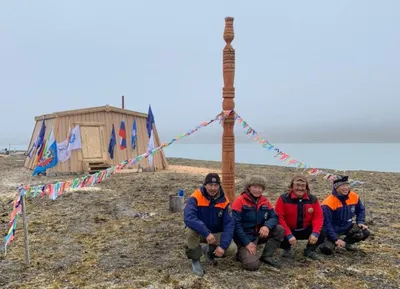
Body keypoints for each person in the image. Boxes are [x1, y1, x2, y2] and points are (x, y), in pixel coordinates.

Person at [183, 173, 237, 277]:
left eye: (215, 185)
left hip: (216, 233)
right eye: (210, 185)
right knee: (190, 230)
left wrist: (223, 246)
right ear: (205, 185)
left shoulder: (224, 201)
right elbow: (189, 217)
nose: (213, 188)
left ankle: (209, 251)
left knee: (232, 249)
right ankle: (195, 260)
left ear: (219, 186)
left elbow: (229, 224)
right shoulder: (196, 196)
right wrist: (206, 233)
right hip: (200, 232)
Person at [232, 175, 284, 270]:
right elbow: (236, 225)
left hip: (257, 235)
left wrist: (267, 226)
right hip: (242, 237)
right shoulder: (239, 201)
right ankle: (239, 253)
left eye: (260, 187)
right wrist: (247, 243)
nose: (257, 190)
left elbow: (274, 216)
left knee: (279, 229)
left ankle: (267, 256)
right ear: (249, 187)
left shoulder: (265, 201)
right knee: (252, 265)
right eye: (255, 187)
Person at [274, 174, 325, 261]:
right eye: (297, 185)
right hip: (289, 230)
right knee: (279, 229)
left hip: (305, 229)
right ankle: (286, 249)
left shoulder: (313, 199)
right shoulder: (283, 198)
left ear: (306, 187)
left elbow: (318, 217)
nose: (300, 188)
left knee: (322, 231)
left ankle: (310, 250)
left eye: (303, 186)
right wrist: (289, 234)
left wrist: (315, 233)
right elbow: (279, 218)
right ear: (292, 186)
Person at [320, 175, 370, 255]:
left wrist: (360, 222)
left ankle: (346, 244)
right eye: (342, 185)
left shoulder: (354, 196)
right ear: (336, 187)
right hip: (333, 229)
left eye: (347, 185)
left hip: (347, 226)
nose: (346, 188)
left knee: (364, 232)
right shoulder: (327, 203)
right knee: (327, 250)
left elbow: (361, 210)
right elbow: (326, 224)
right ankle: (330, 242)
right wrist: (335, 239)